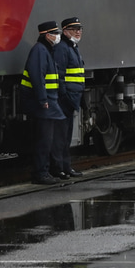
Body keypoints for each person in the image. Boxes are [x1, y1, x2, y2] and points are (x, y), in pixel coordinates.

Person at [20, 21, 67, 184]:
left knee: (49, 138)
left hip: (49, 102)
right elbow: (37, 77)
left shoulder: (45, 50)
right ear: (47, 35)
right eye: (55, 33)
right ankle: (41, 173)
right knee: (44, 140)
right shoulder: (40, 51)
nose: (58, 36)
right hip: (43, 103)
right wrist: (42, 99)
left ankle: (48, 170)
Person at [52, 17, 86, 179]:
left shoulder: (73, 47)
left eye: (79, 28)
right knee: (60, 136)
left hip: (72, 98)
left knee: (65, 137)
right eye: (74, 29)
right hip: (65, 99)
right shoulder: (63, 48)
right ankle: (59, 168)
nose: (78, 31)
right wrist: (64, 96)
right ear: (65, 31)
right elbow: (59, 75)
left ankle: (66, 166)